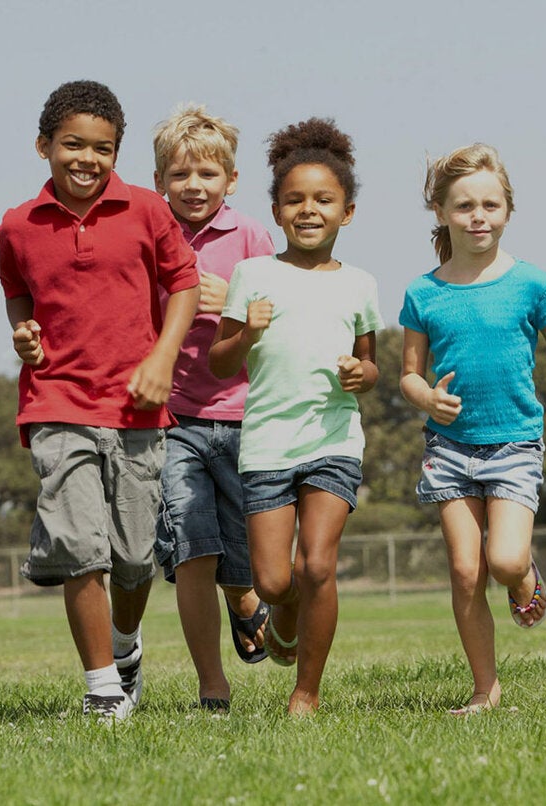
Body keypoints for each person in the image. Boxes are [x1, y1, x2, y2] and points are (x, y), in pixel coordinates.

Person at [0, 80, 200, 723]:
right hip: (56, 400)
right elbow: (18, 292)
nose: (86, 159)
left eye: (102, 149)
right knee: (78, 545)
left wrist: (162, 359)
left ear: (118, 153)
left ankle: (123, 645)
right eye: (71, 145)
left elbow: (184, 283)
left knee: (135, 557)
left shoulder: (146, 210)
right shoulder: (17, 226)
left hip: (137, 405)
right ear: (43, 146)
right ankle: (102, 689)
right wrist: (24, 333)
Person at [399, 143, 546, 715]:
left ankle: (524, 580)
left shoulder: (531, 283)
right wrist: (427, 398)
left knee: (505, 561)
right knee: (466, 572)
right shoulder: (424, 292)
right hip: (448, 448)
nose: (478, 216)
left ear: (508, 210)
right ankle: (484, 690)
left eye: (490, 204)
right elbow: (408, 377)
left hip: (515, 443)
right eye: (464, 205)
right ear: (440, 211)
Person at [209, 118, 382, 715]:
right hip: (266, 446)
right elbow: (219, 361)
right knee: (276, 583)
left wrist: (364, 377)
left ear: (348, 212)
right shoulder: (253, 275)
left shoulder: (361, 285)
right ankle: (281, 622)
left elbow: (370, 364)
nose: (309, 210)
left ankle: (305, 692)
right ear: (278, 211)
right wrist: (247, 328)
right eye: (295, 200)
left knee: (317, 565)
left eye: (324, 200)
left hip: (334, 439)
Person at [149, 104, 277, 712]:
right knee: (192, 547)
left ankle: (245, 597)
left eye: (207, 174)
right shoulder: (149, 234)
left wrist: (237, 300)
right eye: (179, 175)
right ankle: (211, 683)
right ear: (159, 182)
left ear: (230, 180)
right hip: (174, 420)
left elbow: (281, 317)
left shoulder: (251, 236)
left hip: (248, 415)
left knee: (245, 555)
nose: (193, 187)